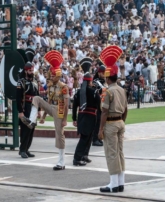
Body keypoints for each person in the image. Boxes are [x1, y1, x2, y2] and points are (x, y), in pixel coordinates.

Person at [22, 50, 69, 171]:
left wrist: (64, 119)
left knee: (59, 135)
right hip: (51, 107)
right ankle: (32, 120)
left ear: (58, 75)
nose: (51, 77)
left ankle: (61, 162)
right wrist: (42, 116)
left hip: (59, 109)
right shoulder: (50, 86)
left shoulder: (63, 87)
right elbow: (48, 101)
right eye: (50, 75)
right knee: (37, 98)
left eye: (53, 75)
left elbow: (66, 104)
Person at [98, 46, 128, 193]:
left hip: (110, 123)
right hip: (120, 122)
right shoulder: (122, 89)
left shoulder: (107, 91)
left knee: (111, 153)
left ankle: (113, 184)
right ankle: (121, 182)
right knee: (120, 152)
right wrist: (122, 121)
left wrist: (100, 129)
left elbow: (104, 111)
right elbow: (126, 109)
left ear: (107, 77)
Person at [72, 58, 101, 166]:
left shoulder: (79, 92)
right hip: (91, 117)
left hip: (82, 117)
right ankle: (77, 158)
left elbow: (74, 106)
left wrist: (74, 119)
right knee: (85, 139)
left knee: (87, 138)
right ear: (90, 81)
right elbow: (99, 105)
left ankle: (84, 155)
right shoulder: (94, 92)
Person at [17, 49, 38, 158]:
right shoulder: (21, 82)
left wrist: (38, 110)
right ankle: (22, 150)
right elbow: (18, 98)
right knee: (25, 131)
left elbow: (37, 97)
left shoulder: (34, 83)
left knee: (31, 130)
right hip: (26, 108)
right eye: (30, 70)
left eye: (32, 70)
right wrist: (20, 111)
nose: (31, 72)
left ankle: (27, 149)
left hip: (33, 108)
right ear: (25, 71)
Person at [91, 64, 107, 147]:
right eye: (103, 73)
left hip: (102, 103)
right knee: (97, 122)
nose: (105, 75)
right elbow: (102, 90)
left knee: (100, 121)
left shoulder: (103, 81)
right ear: (100, 73)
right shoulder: (96, 81)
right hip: (96, 104)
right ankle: (94, 139)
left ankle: (98, 137)